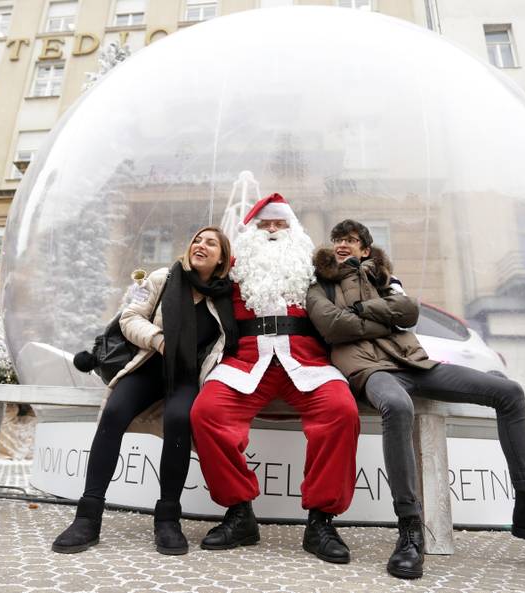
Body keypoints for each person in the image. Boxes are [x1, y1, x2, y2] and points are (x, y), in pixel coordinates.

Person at [306, 219, 525, 580]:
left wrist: (360, 312)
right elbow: (332, 327)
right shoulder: (319, 284)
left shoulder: (383, 279)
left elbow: (411, 313)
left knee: (509, 392)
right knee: (398, 406)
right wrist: (383, 318)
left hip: (413, 362)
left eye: (351, 240)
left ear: (365, 250)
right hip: (370, 370)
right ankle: (410, 527)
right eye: (338, 238)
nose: (342, 244)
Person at [190, 194, 360, 564]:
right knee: (207, 412)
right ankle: (239, 513)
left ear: (293, 230)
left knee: (341, 410)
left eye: (279, 224)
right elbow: (194, 277)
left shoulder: (314, 267)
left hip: (307, 361)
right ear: (250, 232)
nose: (271, 230)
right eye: (264, 224)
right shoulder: (235, 267)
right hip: (247, 361)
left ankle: (321, 521)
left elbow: (360, 284)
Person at [52, 226, 238, 555]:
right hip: (147, 367)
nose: (201, 245)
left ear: (222, 257)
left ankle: (167, 519)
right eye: (197, 239)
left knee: (180, 421)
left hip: (186, 378)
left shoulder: (225, 297)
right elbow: (130, 316)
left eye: (211, 243)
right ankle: (87, 517)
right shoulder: (162, 278)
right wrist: (158, 339)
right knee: (113, 415)